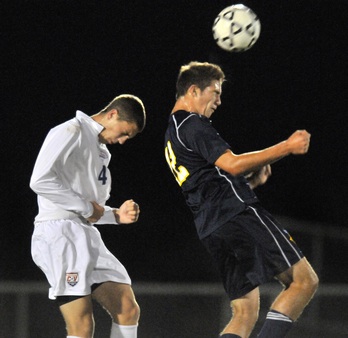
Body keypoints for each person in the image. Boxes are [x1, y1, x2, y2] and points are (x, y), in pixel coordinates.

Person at [164, 61, 318, 338]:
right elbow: (232, 164)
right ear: (193, 90)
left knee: (245, 310)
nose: (219, 100)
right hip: (236, 214)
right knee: (303, 281)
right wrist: (287, 146)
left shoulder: (171, 134)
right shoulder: (193, 124)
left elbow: (206, 182)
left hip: (211, 227)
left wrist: (249, 183)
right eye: (216, 92)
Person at [30, 94, 146, 338]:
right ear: (112, 114)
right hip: (59, 234)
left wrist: (116, 215)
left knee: (127, 308)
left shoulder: (101, 151)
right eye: (125, 132)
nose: (124, 141)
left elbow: (91, 209)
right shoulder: (71, 130)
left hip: (85, 234)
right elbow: (39, 180)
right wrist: (87, 209)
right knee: (81, 327)